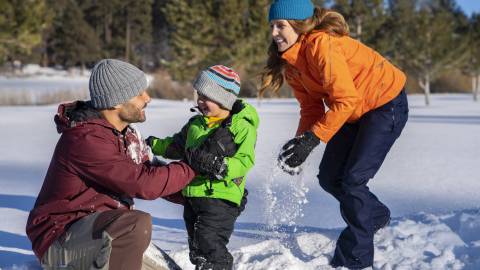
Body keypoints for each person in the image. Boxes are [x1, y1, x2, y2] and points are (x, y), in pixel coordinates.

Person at [26, 59, 233, 270]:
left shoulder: (127, 134)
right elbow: (143, 183)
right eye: (139, 93)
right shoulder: (85, 139)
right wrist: (194, 165)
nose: (148, 98)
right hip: (61, 237)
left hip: (104, 230)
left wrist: (213, 195)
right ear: (116, 102)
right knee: (136, 224)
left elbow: (154, 172)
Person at [260, 0, 409, 269]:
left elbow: (345, 99)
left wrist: (313, 139)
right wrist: (300, 145)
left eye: (280, 25)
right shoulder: (293, 64)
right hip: (352, 112)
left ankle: (355, 259)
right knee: (330, 177)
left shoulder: (321, 46)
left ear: (299, 25)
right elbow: (311, 108)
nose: (274, 33)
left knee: (353, 180)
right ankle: (373, 215)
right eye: (272, 25)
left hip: (385, 104)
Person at [146, 65, 258, 270]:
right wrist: (154, 145)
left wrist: (220, 165)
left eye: (207, 97)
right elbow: (177, 145)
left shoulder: (240, 127)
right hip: (193, 194)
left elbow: (245, 161)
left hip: (221, 197)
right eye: (199, 95)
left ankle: (220, 266)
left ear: (224, 98)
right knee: (197, 247)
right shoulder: (196, 124)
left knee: (210, 242)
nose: (200, 101)